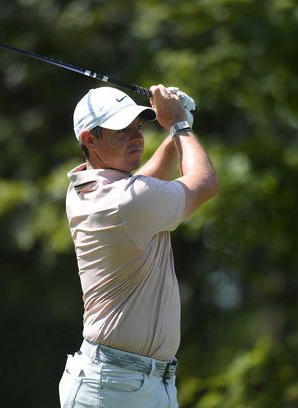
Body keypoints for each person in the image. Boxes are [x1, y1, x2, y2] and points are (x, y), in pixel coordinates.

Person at [59, 84, 218, 408]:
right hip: (114, 388)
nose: (136, 138)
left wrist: (177, 130)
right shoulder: (129, 202)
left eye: (138, 127)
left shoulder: (86, 187)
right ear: (90, 139)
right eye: (121, 131)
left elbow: (141, 185)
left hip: (133, 383)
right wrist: (179, 126)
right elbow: (204, 183)